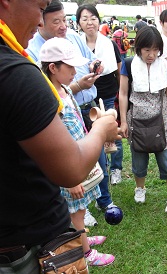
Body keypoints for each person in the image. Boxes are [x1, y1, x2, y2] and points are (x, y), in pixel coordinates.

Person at [0, 0, 119, 272]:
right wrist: (102, 129)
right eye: (40, 8)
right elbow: (71, 169)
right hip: (27, 246)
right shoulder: (15, 73)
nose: (41, 22)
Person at [26, 0, 119, 225]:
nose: (62, 26)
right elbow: (52, 98)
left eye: (64, 20)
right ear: (40, 21)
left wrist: (92, 66)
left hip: (84, 111)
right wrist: (80, 86)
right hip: (66, 119)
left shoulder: (73, 38)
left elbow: (87, 60)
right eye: (55, 21)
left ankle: (100, 200)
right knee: (76, 167)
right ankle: (81, 214)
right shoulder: (32, 50)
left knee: (95, 162)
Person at [39, 37, 115, 267]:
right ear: (53, 68)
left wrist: (79, 85)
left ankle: (81, 236)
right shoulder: (48, 97)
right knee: (76, 211)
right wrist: (69, 179)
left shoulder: (61, 88)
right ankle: (85, 251)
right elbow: (53, 145)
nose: (75, 70)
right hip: (67, 168)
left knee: (82, 207)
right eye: (70, 67)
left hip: (77, 160)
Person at [118, 26, 167, 213]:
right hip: (135, 120)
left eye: (155, 50)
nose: (152, 55)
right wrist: (123, 121)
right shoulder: (128, 64)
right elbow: (122, 94)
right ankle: (140, 188)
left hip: (160, 121)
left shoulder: (166, 65)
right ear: (139, 48)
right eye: (147, 50)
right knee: (138, 159)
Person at [76, 4, 124, 186]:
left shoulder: (108, 43)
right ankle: (97, 168)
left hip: (109, 92)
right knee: (93, 133)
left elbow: (119, 69)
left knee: (112, 130)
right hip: (86, 96)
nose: (90, 22)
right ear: (79, 23)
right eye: (85, 18)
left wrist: (120, 92)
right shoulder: (76, 43)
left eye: (93, 18)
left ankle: (116, 168)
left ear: (98, 20)